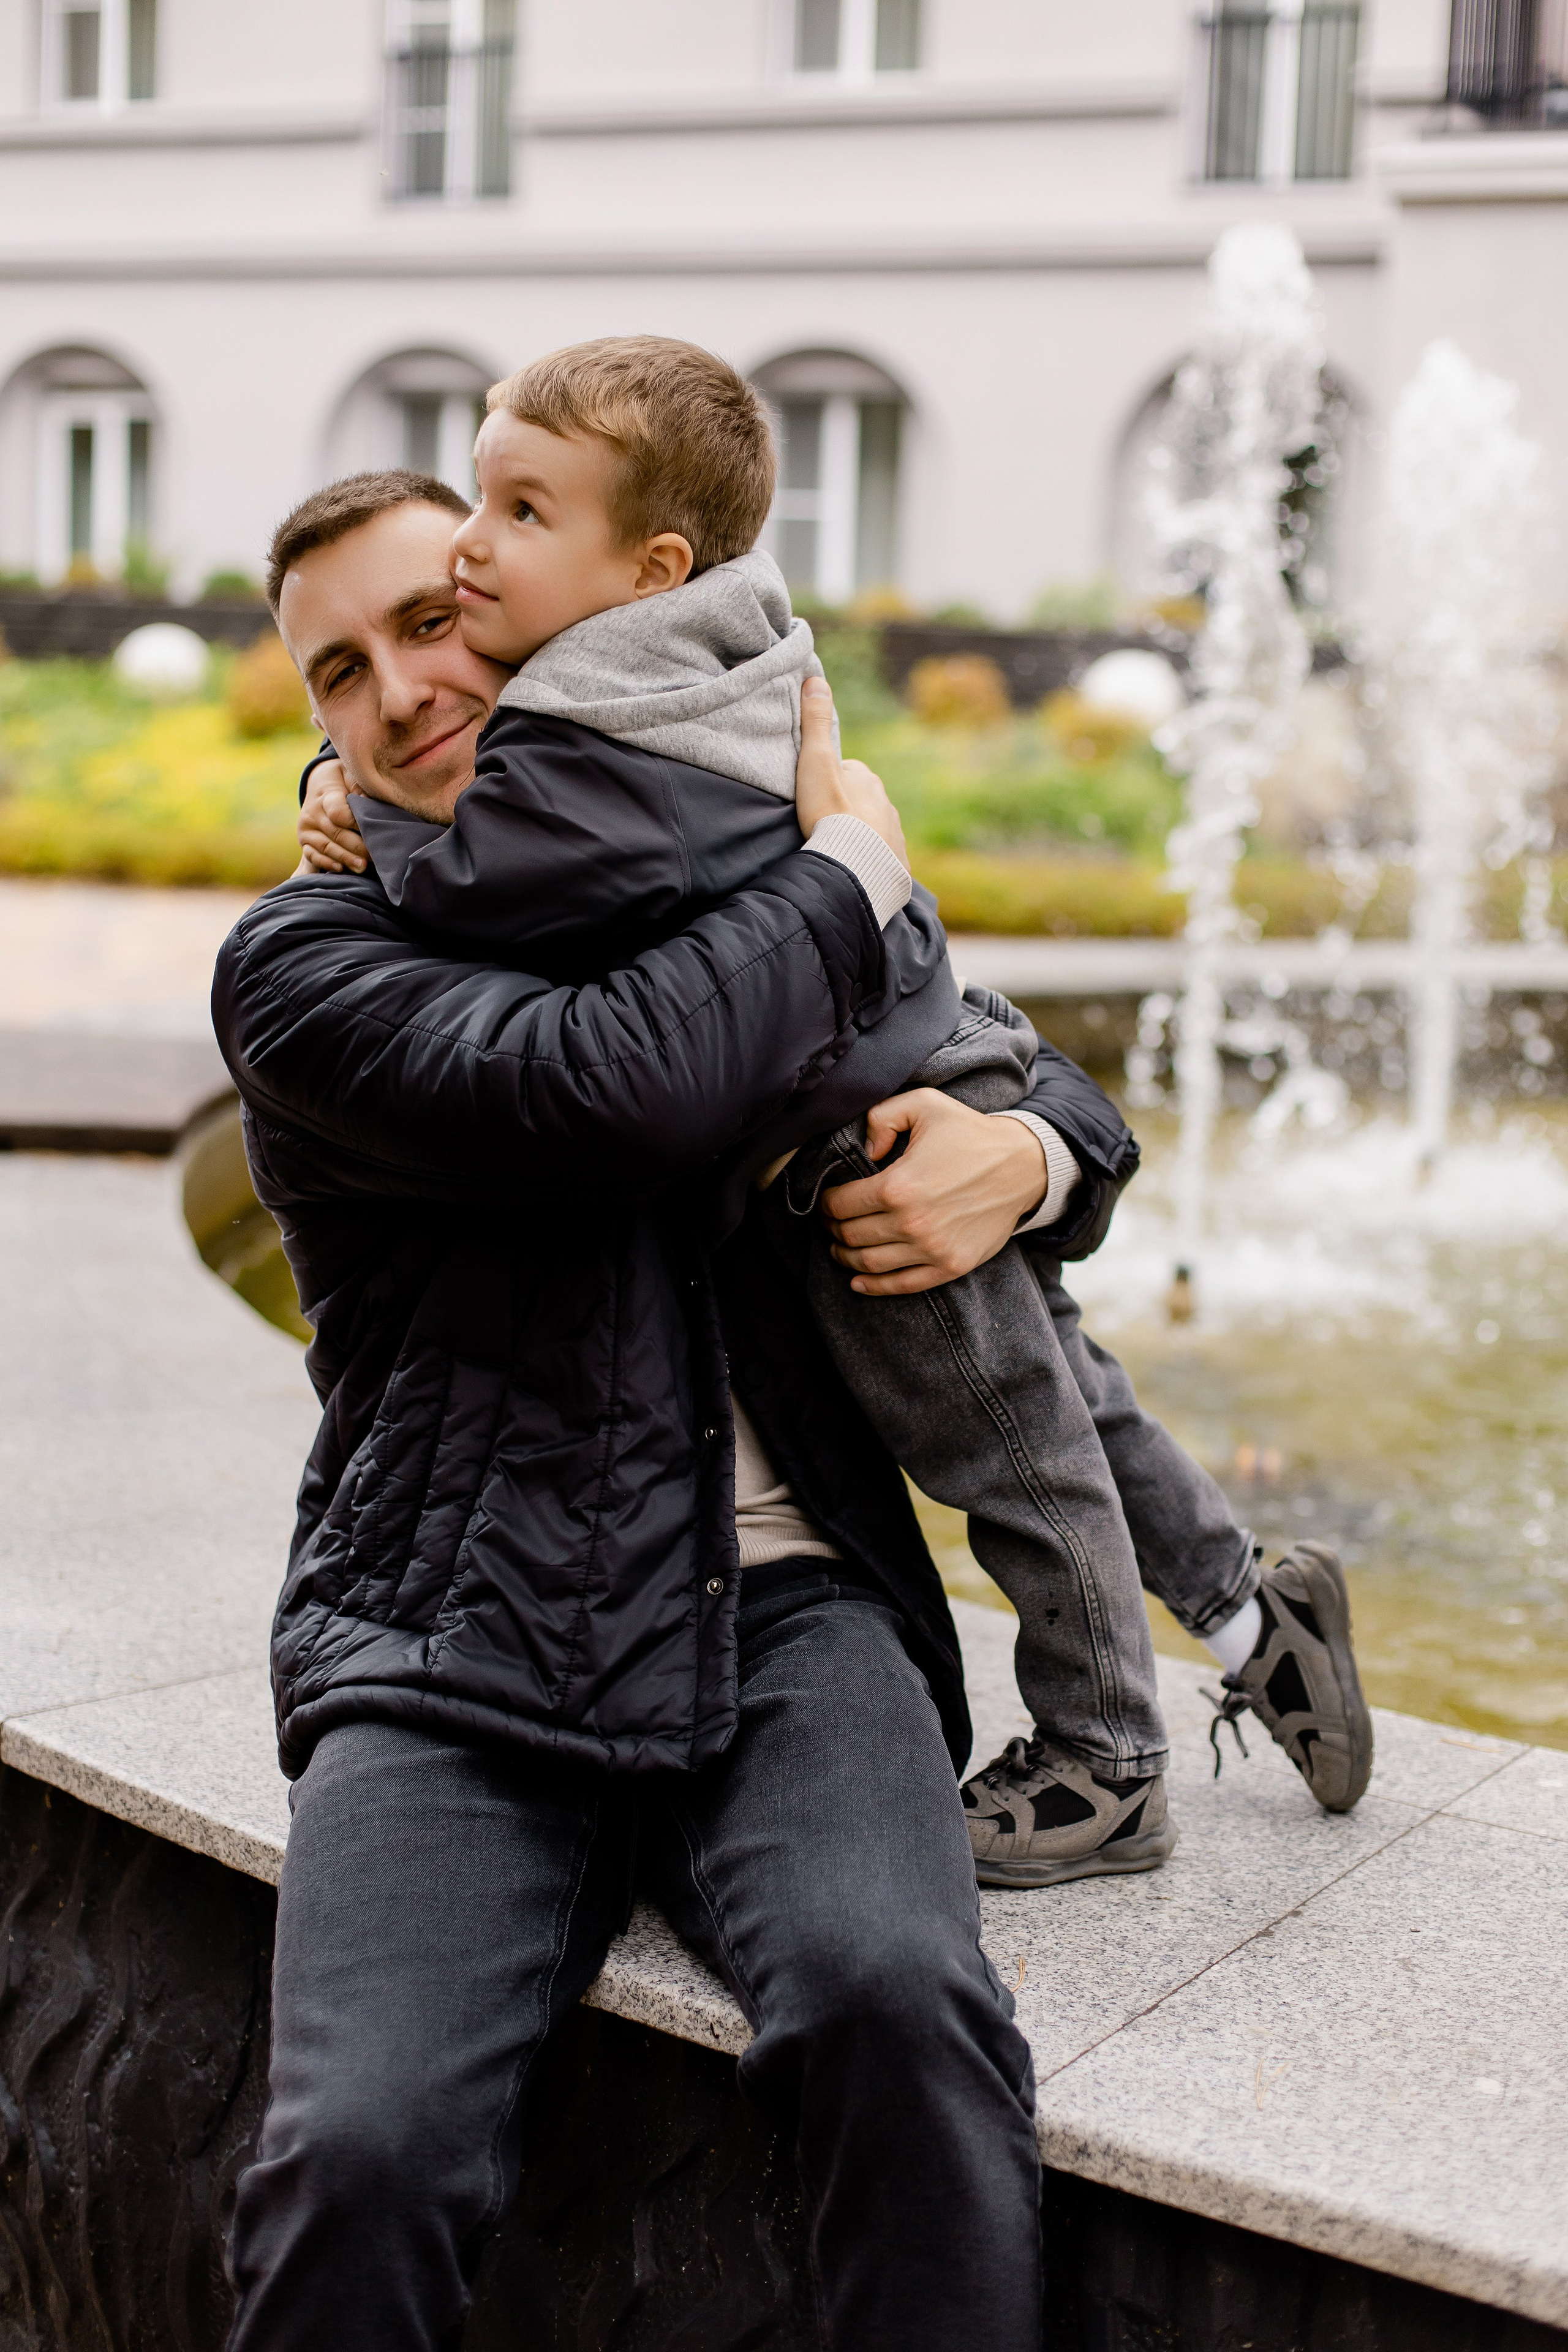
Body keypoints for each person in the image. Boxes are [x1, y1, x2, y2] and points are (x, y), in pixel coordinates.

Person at [296, 337, 1373, 1886]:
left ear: (642, 565)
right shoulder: (679, 659)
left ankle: (1107, 1762)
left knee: (1013, 1451)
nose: (465, 583)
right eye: (346, 672)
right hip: (901, 1066)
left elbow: (506, 885)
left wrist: (1027, 1151)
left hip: (869, 1134)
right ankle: (1251, 1617)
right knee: (1071, 1401)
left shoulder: (587, 730)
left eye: (487, 549)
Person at [217, 475, 1068, 2351]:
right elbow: (612, 1084)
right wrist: (851, 864)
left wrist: (1025, 1151)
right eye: (336, 671)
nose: (398, 686)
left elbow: (1001, 1059)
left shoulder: (700, 861)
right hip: (450, 1624)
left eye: (430, 619)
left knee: (893, 2005)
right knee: (358, 2146)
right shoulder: (308, 965)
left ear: (541, 612)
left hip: (791, 1607)